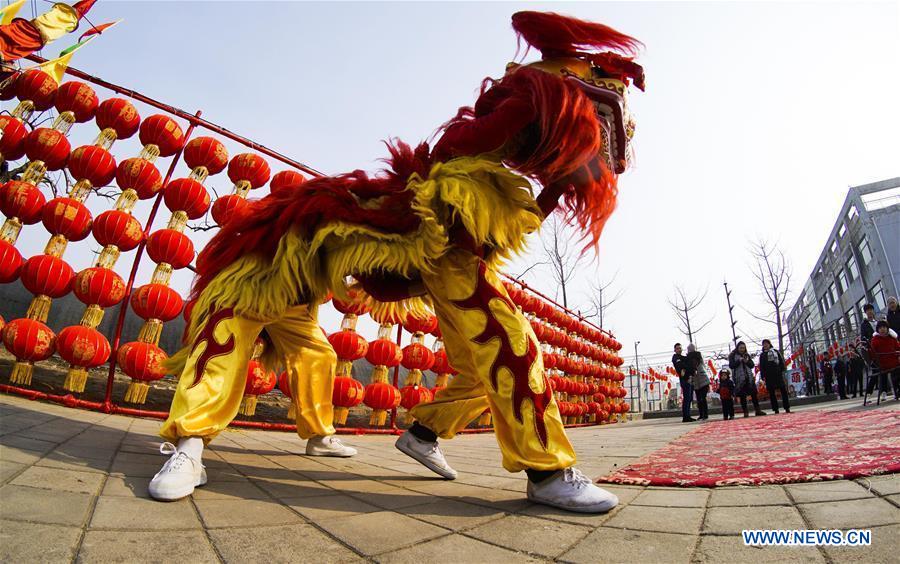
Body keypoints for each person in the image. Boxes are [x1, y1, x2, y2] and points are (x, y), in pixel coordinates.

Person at [147, 11, 645, 513]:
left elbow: (521, 209)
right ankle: (189, 444)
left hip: (430, 254)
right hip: (304, 246)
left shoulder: (488, 190)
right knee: (234, 317)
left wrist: (557, 185)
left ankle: (425, 433)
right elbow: (455, 149)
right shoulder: (463, 169)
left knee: (483, 358)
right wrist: (535, 107)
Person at [728, 341, 766, 417]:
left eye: (743, 348)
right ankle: (745, 412)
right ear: (737, 348)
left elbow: (752, 365)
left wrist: (747, 361)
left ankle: (757, 410)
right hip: (739, 379)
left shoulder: (747, 355)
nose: (742, 349)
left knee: (754, 394)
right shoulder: (733, 355)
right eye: (740, 348)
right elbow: (731, 365)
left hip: (749, 378)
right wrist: (739, 361)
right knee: (742, 396)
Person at [868, 321, 900, 400]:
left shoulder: (892, 338)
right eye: (880, 328)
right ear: (877, 330)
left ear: (887, 328)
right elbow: (872, 353)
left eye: (884, 327)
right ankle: (897, 391)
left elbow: (898, 347)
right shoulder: (875, 339)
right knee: (896, 370)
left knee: (896, 370)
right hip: (883, 363)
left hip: (893, 362)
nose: (882, 329)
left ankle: (897, 391)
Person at [759, 339, 790, 413]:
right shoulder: (762, 355)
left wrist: (782, 369)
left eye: (766, 343)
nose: (765, 345)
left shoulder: (775, 351)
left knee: (783, 391)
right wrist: (762, 375)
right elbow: (762, 366)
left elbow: (781, 361)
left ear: (769, 344)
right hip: (769, 376)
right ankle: (775, 409)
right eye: (764, 344)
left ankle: (787, 407)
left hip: (778, 374)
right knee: (772, 393)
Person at [672, 343, 695, 422]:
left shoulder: (684, 357)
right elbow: (680, 366)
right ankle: (685, 417)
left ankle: (688, 415)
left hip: (689, 378)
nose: (679, 350)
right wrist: (685, 367)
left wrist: (686, 367)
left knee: (689, 398)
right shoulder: (675, 357)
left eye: (680, 348)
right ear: (675, 350)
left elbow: (690, 366)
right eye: (677, 348)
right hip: (684, 379)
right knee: (686, 398)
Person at [686, 344, 709, 420]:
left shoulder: (694, 357)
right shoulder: (698, 356)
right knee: (701, 399)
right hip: (700, 380)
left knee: (701, 398)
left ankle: (703, 414)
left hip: (700, 380)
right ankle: (703, 414)